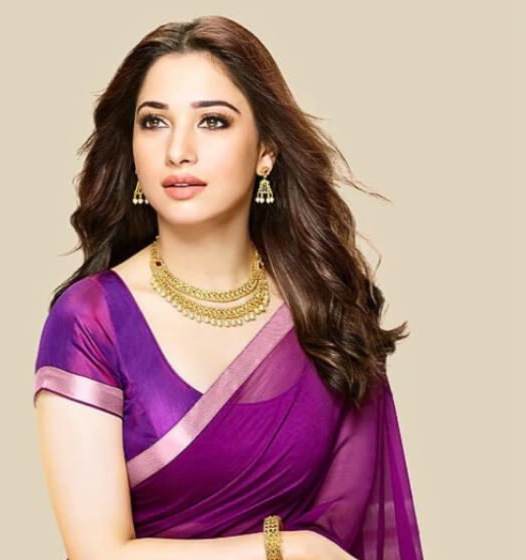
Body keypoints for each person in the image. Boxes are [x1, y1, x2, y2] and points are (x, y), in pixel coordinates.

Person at [32, 15, 423, 560]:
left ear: (266, 151)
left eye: (212, 121)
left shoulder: (326, 311)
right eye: (154, 122)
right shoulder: (92, 319)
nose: (178, 150)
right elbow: (97, 554)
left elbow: (356, 526)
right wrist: (287, 550)